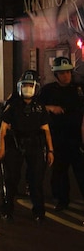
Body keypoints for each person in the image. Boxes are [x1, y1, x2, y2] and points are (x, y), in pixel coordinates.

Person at [0, 70, 55, 224]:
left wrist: (50, 150)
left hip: (35, 146)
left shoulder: (40, 107)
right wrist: (2, 148)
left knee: (36, 180)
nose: (27, 88)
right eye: (25, 85)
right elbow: (3, 129)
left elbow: (46, 130)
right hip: (15, 145)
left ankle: (38, 212)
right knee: (11, 179)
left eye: (30, 85)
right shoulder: (13, 105)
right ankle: (7, 210)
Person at [37, 56, 84, 211]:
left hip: (77, 137)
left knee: (81, 171)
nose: (66, 76)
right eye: (62, 73)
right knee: (60, 171)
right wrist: (50, 108)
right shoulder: (48, 90)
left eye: (68, 72)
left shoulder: (79, 89)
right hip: (58, 138)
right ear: (56, 75)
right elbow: (36, 107)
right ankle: (62, 200)